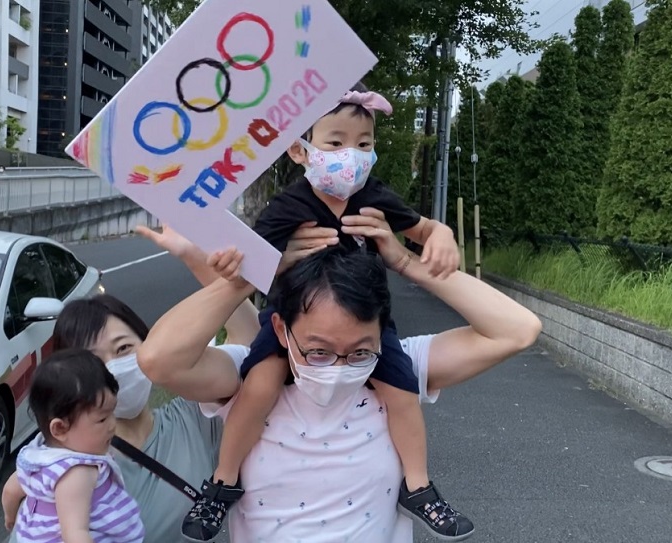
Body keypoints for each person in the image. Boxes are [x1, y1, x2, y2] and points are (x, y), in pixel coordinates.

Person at [137, 207, 543, 542]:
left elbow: (517, 329)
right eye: (318, 351)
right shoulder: (250, 377)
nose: (339, 367)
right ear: (280, 329)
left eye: (360, 351)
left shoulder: (398, 372)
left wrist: (407, 263)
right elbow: (159, 360)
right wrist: (250, 275)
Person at [181, 82, 466, 542]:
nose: (350, 155)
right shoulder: (290, 205)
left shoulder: (375, 196)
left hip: (366, 324)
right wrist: (239, 259)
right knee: (258, 387)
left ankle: (418, 487)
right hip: (292, 320)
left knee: (401, 394)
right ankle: (222, 482)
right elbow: (248, 258)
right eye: (335, 143)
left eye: (363, 145)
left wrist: (443, 236)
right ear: (300, 149)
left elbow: (424, 228)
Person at [2, 224, 324, 542]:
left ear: (148, 345)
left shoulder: (195, 416)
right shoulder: (62, 467)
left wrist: (194, 257)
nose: (111, 368)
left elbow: (250, 344)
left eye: (125, 349)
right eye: (93, 360)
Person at [1, 349, 146, 543]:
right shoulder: (76, 473)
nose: (113, 424)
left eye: (112, 413)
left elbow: (10, 492)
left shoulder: (39, 458)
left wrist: (11, 519)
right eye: (102, 419)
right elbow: (75, 534)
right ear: (60, 428)